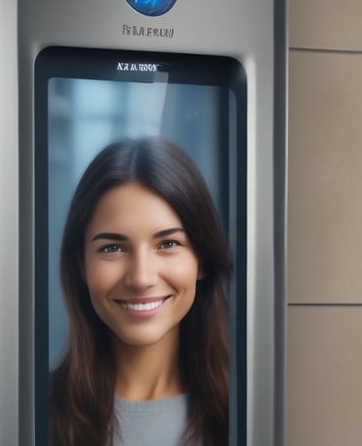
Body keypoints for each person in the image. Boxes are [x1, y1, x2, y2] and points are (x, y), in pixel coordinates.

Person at [50, 137, 231, 446]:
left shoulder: (249, 409)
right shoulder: (31, 410)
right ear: (81, 264)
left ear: (201, 259)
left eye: (168, 244)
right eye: (112, 248)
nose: (141, 278)